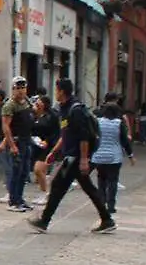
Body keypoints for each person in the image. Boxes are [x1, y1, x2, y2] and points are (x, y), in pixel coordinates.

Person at [29, 79, 115, 234]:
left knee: (57, 187)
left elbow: (83, 136)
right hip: (71, 155)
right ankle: (107, 219)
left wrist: (83, 160)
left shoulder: (75, 110)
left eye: (56, 90)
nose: (55, 93)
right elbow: (66, 134)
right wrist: (54, 152)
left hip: (75, 157)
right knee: (86, 187)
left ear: (61, 91)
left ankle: (44, 221)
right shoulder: (65, 108)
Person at [91, 103, 135, 216]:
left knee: (101, 180)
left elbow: (92, 137)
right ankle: (111, 206)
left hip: (99, 156)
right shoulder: (119, 123)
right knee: (113, 181)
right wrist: (130, 155)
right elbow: (124, 141)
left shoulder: (98, 122)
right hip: (114, 158)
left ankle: (101, 203)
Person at [1, 77, 34, 212]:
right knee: (17, 171)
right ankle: (13, 201)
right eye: (18, 88)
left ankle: (20, 198)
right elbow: (6, 126)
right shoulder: (10, 105)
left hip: (27, 140)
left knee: (25, 172)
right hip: (17, 141)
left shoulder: (26, 102)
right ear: (13, 89)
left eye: (23, 88)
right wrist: (12, 145)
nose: (21, 91)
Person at [30, 95, 59, 206]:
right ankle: (44, 192)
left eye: (39, 102)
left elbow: (55, 132)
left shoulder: (52, 116)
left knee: (38, 169)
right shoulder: (35, 115)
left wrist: (47, 141)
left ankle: (46, 193)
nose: (37, 104)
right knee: (40, 172)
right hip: (37, 145)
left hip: (48, 147)